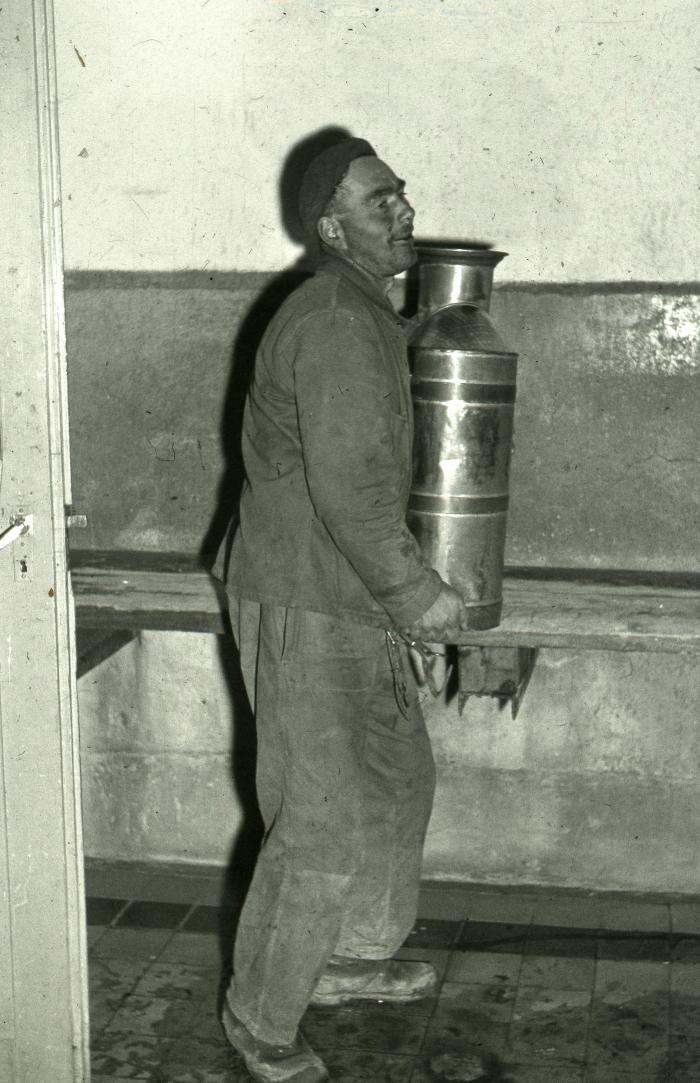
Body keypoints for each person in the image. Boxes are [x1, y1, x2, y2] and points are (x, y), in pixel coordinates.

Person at [219, 136, 468, 1083]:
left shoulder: (365, 313)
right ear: (332, 228)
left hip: (347, 593)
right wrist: (419, 594)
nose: (403, 210)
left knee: (398, 781)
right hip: (305, 600)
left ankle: (348, 957)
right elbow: (352, 494)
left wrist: (396, 595)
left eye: (400, 193)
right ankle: (259, 1017)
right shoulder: (333, 320)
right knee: (320, 819)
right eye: (378, 201)